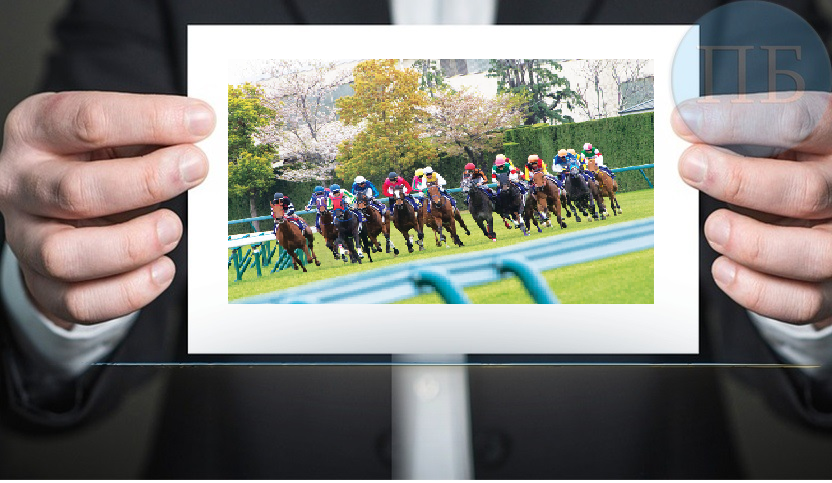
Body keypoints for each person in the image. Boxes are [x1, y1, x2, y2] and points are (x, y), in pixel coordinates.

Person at [1, 1, 831, 480]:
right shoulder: (362, 185)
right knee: (370, 216)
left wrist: (813, 284)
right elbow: (83, 201)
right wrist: (57, 289)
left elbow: (778, 203)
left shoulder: (519, 154)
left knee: (554, 182)